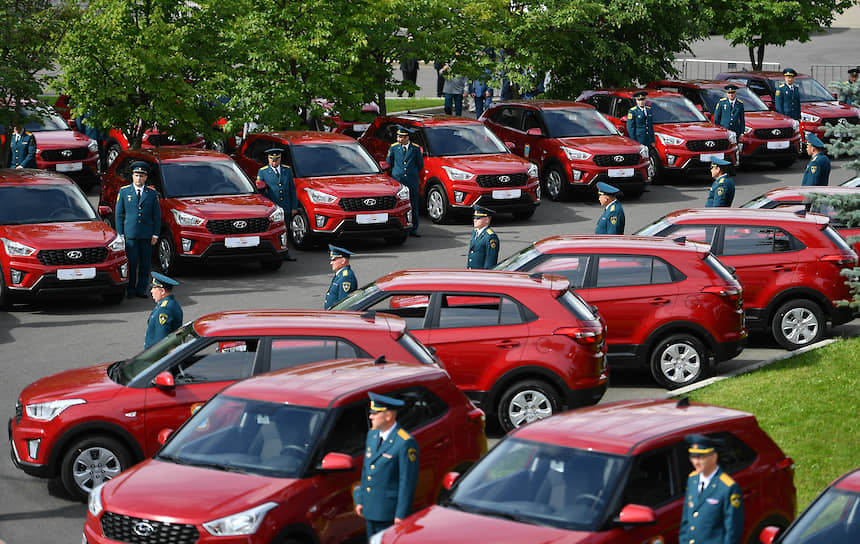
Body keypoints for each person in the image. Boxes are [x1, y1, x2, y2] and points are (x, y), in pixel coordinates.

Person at [353, 392, 419, 540]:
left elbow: (407, 482)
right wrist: (361, 500)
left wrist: (401, 514)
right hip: (371, 509)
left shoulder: (404, 442)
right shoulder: (372, 435)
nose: (371, 417)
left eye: (375, 413)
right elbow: (366, 469)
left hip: (389, 512)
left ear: (388, 416)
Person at [679, 434, 744, 544]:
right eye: (693, 457)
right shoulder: (692, 480)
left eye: (701, 457)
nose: (696, 462)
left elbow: (733, 530)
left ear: (714, 457)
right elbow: (686, 519)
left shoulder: (728, 487)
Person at [115, 162, 161, 298]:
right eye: (136, 175)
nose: (138, 179)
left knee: (146, 264)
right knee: (132, 262)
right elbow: (119, 214)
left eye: (141, 176)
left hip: (146, 234)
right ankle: (131, 289)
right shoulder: (124, 192)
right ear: (132, 176)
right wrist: (120, 234)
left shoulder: (152, 193)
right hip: (131, 234)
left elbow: (156, 215)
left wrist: (155, 234)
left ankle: (141, 289)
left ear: (146, 178)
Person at [257, 148, 297, 261]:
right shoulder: (263, 171)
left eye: (276, 159)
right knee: (274, 231)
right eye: (271, 159)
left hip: (286, 205)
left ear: (280, 159)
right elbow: (261, 190)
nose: (274, 162)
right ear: (268, 159)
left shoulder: (287, 170)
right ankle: (274, 252)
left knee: (286, 229)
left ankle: (286, 253)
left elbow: (292, 189)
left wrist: (294, 206)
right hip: (273, 207)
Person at [386, 126, 424, 237]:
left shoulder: (415, 148)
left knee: (413, 204)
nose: (399, 139)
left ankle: (414, 229)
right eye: (398, 136)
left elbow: (420, 164)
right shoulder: (393, 148)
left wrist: (412, 173)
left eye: (401, 137)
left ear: (407, 137)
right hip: (398, 179)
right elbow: (389, 163)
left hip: (411, 180)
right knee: (398, 204)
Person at [144, 272, 183, 349]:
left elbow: (161, 342)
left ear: (162, 291)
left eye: (154, 288)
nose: (151, 291)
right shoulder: (169, 304)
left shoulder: (165, 309)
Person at [324, 245, 357, 309]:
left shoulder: (346, 277)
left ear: (343, 261)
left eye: (334, 260)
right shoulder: (340, 274)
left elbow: (344, 303)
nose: (331, 263)